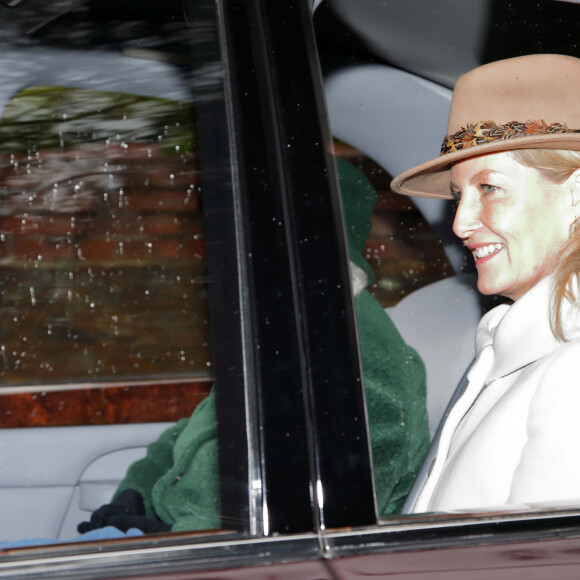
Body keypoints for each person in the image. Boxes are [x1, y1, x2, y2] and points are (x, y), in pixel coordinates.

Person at [72, 156, 429, 537]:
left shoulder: (356, 356)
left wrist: (174, 540)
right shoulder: (280, 326)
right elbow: (192, 430)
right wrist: (134, 492)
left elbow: (308, 515)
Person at [391, 53, 580, 513]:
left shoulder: (569, 370)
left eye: (489, 188)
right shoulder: (511, 346)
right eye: (459, 196)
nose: (459, 224)